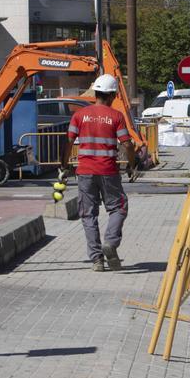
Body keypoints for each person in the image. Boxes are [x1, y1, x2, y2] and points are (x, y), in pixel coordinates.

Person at [61, 74, 135, 272]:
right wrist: (131, 164)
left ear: (96, 92)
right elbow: (127, 143)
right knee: (119, 207)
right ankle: (110, 243)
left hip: (85, 172)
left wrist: (63, 165)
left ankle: (97, 260)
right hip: (109, 171)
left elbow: (68, 142)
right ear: (111, 95)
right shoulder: (116, 116)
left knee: (88, 215)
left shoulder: (79, 115)